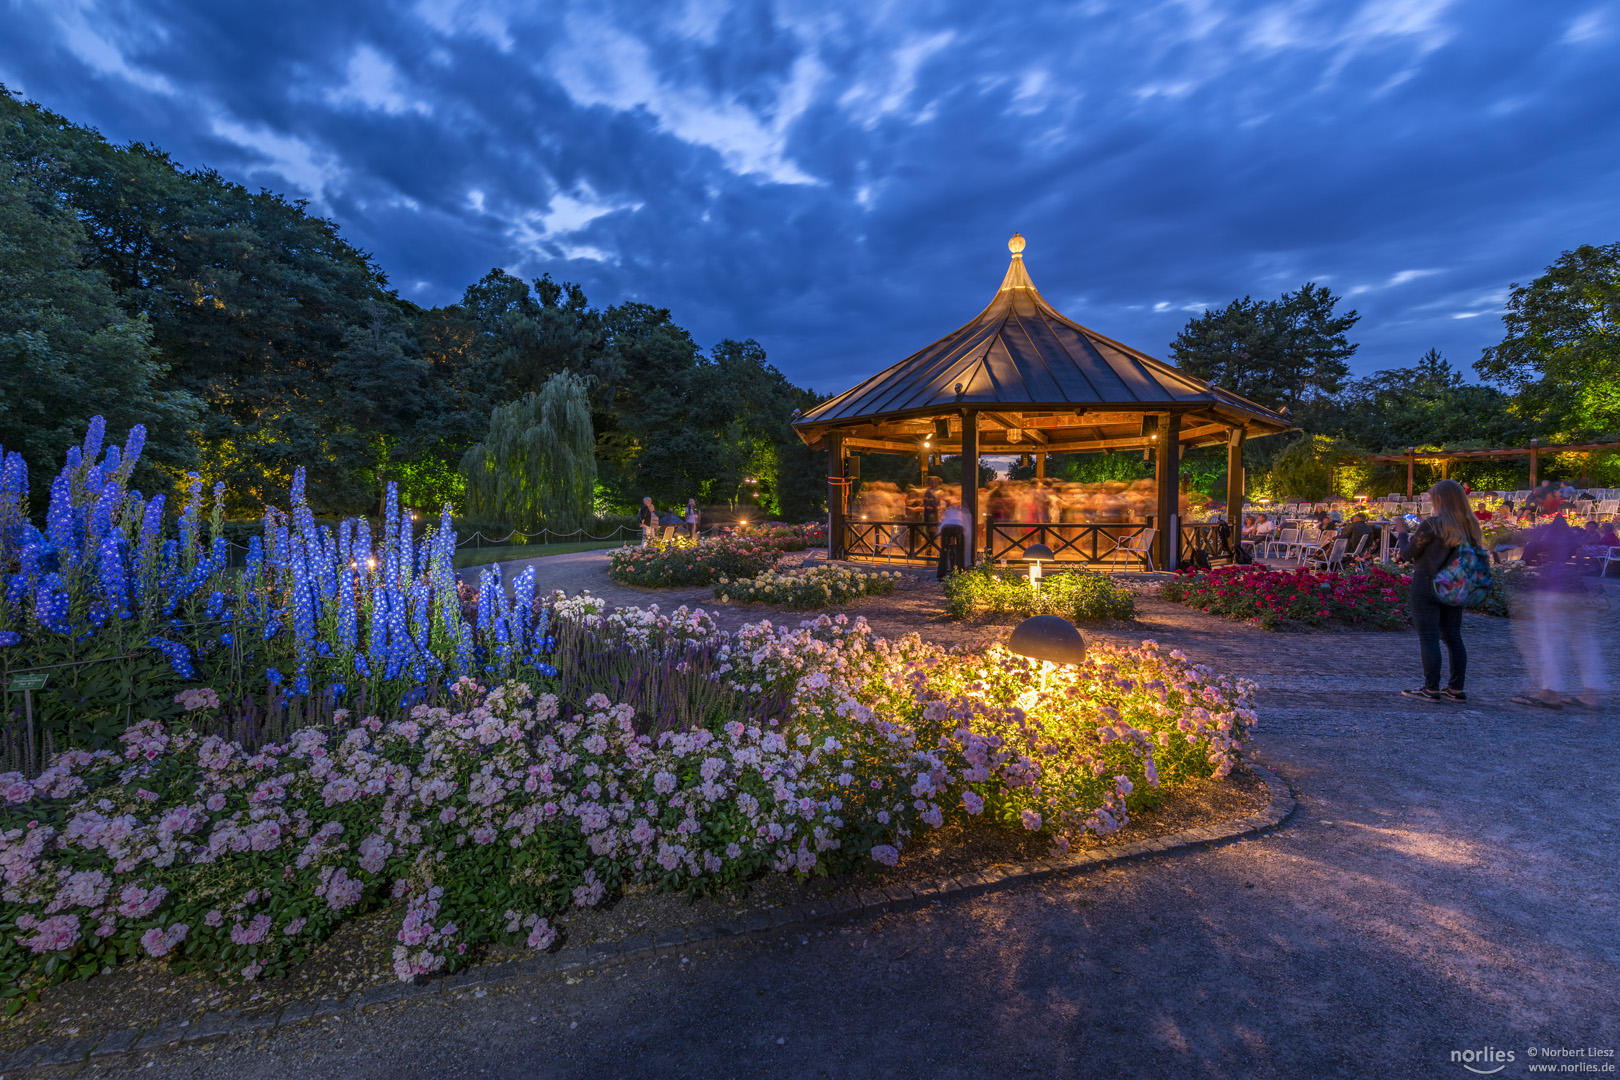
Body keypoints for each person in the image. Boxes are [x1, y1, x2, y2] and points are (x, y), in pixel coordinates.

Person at [1397, 479, 1482, 703]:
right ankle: (1455, 688)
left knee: (1429, 638)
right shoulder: (1470, 525)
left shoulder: (1432, 524)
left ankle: (1430, 688)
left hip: (1426, 582)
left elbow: (1407, 554)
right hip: (1455, 584)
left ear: (1441, 500)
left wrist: (1402, 533)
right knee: (1454, 637)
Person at [1514, 517, 1607, 710]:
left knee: (1550, 640)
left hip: (1554, 592)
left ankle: (1550, 691)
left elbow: (1528, 561)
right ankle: (1591, 693)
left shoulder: (1545, 547)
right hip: (1580, 592)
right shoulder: (1576, 549)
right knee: (1584, 642)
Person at [936, 497, 970, 580]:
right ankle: (959, 571)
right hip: (958, 526)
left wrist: (939, 533)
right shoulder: (962, 511)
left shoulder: (947, 511)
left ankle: (941, 574)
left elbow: (942, 521)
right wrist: (966, 535)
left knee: (944, 550)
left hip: (946, 527)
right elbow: (966, 524)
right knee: (960, 550)